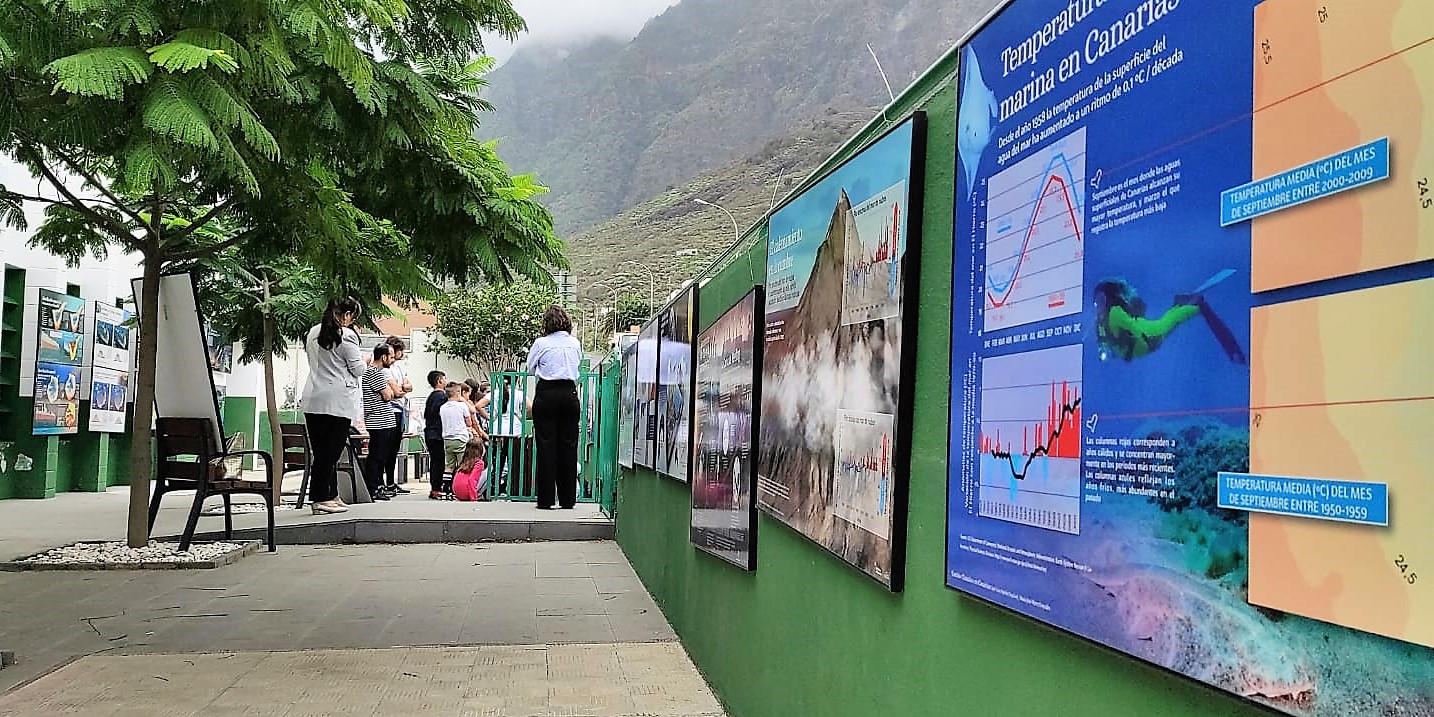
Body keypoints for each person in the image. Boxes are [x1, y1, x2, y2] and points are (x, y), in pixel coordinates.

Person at [300, 298, 365, 515]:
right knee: (331, 452)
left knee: (322, 450)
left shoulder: (312, 332)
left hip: (313, 397)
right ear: (347, 315)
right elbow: (357, 369)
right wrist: (364, 359)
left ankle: (331, 494)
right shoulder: (346, 336)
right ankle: (319, 497)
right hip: (336, 400)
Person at [1093, 274, 1247, 365]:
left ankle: (1198, 306)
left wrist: (1143, 337)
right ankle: (1181, 305)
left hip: (1143, 340)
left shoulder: (1114, 313)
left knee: (1168, 323)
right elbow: (1104, 339)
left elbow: (1133, 327)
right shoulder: (1102, 318)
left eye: (1100, 300)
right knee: (1169, 322)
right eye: (1097, 301)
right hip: (1137, 345)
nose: (1097, 304)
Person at [525, 305, 583, 510]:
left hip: (547, 393)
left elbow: (530, 367)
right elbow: (578, 364)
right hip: (569, 393)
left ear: (546, 323)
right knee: (569, 445)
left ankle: (546, 499)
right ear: (567, 322)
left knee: (546, 445)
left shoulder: (541, 343)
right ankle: (568, 500)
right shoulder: (574, 342)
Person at [361, 344, 399, 501]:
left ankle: (378, 485)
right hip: (379, 421)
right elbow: (388, 395)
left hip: (382, 420)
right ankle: (373, 487)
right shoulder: (374, 373)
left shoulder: (374, 373)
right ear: (383, 357)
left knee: (380, 456)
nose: (393, 360)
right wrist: (389, 391)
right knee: (377, 456)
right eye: (391, 357)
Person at [382, 336, 414, 494]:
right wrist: (402, 388)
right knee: (387, 448)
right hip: (391, 410)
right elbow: (397, 391)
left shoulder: (399, 368)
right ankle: (384, 482)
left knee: (395, 449)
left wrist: (402, 388)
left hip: (401, 410)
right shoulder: (385, 369)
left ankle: (390, 481)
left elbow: (408, 386)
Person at [438, 382, 472, 499]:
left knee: (449, 465)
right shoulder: (462, 406)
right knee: (462, 464)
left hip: (447, 439)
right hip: (460, 438)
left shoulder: (442, 408)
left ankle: (446, 490)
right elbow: (469, 422)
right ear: (458, 393)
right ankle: (458, 488)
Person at [451, 436, 488, 501]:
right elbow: (472, 480)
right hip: (466, 493)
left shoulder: (465, 460)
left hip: (457, 493)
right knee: (488, 472)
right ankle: (478, 494)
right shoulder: (479, 462)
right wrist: (474, 498)